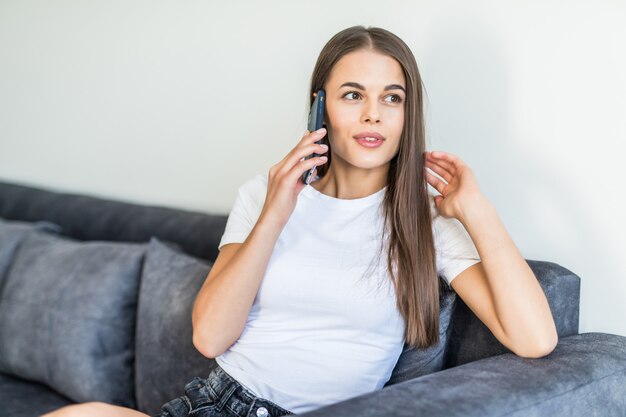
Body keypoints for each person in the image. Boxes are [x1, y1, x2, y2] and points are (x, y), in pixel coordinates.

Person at [41, 24, 558, 417]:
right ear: (320, 108)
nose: (373, 115)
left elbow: (535, 339)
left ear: (407, 115)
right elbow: (210, 338)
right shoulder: (264, 196)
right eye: (353, 95)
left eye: (391, 99)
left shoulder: (424, 224)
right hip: (220, 402)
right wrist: (275, 213)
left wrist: (476, 209)